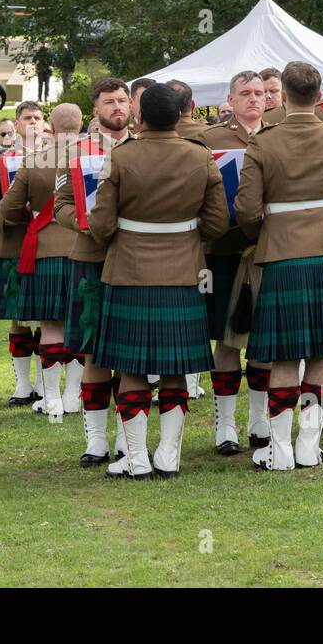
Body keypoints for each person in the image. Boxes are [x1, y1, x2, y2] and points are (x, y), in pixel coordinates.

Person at [88, 83, 229, 479]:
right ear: (182, 114)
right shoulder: (201, 157)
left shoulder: (121, 157)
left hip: (129, 271)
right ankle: (168, 456)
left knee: (131, 367)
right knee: (175, 366)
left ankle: (135, 459)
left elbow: (100, 225)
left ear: (140, 117)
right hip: (184, 271)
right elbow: (218, 222)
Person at [236, 61, 323, 470]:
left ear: (286, 95)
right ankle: (309, 446)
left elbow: (244, 209)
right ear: (318, 94)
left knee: (281, 357)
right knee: (321, 355)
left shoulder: (262, 143)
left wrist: (267, 226)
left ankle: (280, 449)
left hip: (280, 254)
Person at [53, 77, 135, 467]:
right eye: (109, 102)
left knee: (130, 351)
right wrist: (80, 222)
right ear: (95, 110)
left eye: (122, 100)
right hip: (90, 256)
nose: (117, 107)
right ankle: (96, 440)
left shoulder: (144, 146)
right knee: (93, 352)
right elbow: (60, 205)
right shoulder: (77, 150)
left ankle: (127, 437)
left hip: (136, 258)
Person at [191, 72, 275, 455]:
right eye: (246, 93)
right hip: (222, 250)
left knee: (263, 340)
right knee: (226, 338)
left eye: (259, 93)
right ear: (230, 98)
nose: (254, 99)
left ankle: (260, 420)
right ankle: (225, 425)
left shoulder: (280, 132)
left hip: (269, 249)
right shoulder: (210, 139)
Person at [0, 103, 83, 418]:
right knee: (81, 324)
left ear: (51, 127)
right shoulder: (97, 157)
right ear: (80, 124)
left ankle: (51, 399)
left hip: (45, 247)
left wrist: (31, 212)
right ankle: (74, 395)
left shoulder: (33, 162)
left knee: (50, 325)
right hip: (85, 248)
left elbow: (8, 209)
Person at [0, 104, 44, 407]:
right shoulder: (0, 160)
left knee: (49, 319)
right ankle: (23, 385)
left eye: (38, 118)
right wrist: (5, 221)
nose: (33, 123)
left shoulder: (60, 156)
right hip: (14, 245)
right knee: (18, 319)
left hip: (49, 246)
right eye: (27, 118)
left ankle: (45, 385)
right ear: (16, 125)